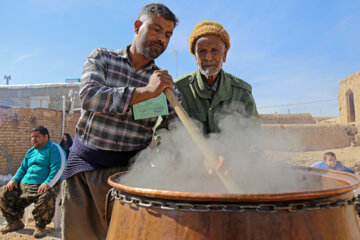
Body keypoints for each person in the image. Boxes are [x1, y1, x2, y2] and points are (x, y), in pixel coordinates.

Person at [61, 3, 178, 240]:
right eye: (156, 30)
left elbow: (179, 127)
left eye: (167, 35)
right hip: (84, 172)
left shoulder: (165, 85)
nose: (162, 40)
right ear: (137, 26)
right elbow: (89, 97)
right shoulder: (102, 58)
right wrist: (146, 92)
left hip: (130, 180)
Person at [173, 20, 259, 135]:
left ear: (224, 56)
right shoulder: (178, 90)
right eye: (202, 51)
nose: (208, 57)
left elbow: (254, 135)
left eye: (215, 51)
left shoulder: (242, 93)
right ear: (195, 57)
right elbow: (162, 132)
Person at [0, 126, 66, 238]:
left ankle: (40, 227)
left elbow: (59, 168)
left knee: (46, 196)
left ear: (46, 137)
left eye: (37, 137)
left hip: (44, 185)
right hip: (25, 186)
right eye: (32, 137)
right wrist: (14, 180)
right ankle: (14, 222)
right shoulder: (31, 151)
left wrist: (48, 183)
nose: (33, 139)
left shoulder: (55, 148)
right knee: (4, 193)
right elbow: (22, 168)